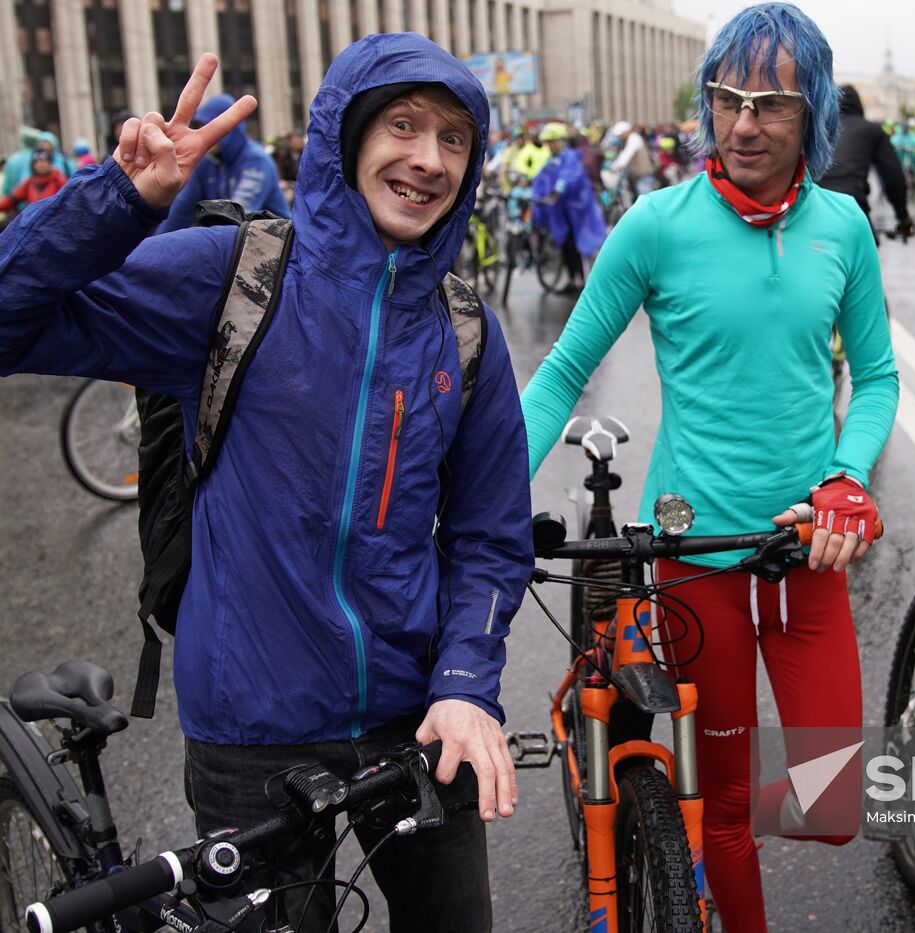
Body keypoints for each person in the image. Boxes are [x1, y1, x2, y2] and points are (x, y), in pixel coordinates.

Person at [0, 34, 533, 931]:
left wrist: (466, 681)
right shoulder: (239, 279)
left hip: (420, 720)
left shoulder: (464, 329)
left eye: (452, 138)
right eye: (402, 125)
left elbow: (489, 533)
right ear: (346, 138)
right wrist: (119, 202)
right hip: (253, 727)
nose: (426, 159)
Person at [520, 5, 898, 929]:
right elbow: (564, 370)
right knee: (723, 810)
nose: (743, 124)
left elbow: (878, 376)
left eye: (769, 103)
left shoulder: (842, 228)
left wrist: (847, 476)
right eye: (727, 100)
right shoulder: (657, 225)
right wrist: (492, 496)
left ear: (810, 109)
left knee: (833, 810)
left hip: (804, 555)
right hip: (699, 562)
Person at [156, 93, 289, 233]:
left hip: (276, 244)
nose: (204, 134)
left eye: (209, 127)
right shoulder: (208, 162)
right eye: (201, 127)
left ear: (230, 129)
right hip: (240, 245)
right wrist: (152, 246)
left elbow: (236, 217)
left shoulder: (256, 161)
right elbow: (181, 211)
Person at [818, 84, 913, 242]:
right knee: (865, 257)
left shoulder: (819, 130)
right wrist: (902, 216)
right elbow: (893, 176)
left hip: (815, 207)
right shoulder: (872, 131)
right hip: (853, 207)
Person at [532, 122, 607, 292]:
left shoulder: (570, 157)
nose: (549, 146)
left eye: (552, 142)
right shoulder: (551, 160)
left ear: (560, 141)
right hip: (560, 212)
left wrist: (557, 190)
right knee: (565, 245)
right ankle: (573, 280)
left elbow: (570, 176)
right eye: (547, 143)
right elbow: (540, 178)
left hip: (577, 211)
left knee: (577, 246)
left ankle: (584, 281)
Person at [0, 149, 67, 213]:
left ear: (49, 163)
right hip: (35, 221)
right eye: (37, 162)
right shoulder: (30, 182)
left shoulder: (58, 178)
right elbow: (11, 199)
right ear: (33, 165)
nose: (40, 165)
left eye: (43, 161)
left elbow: (67, 198)